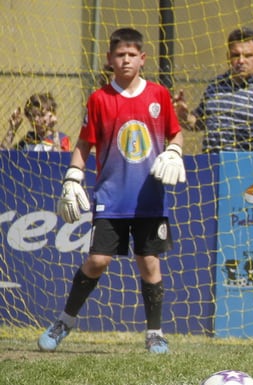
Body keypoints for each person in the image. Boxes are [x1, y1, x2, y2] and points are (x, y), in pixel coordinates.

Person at [37, 27, 185, 354]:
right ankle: (65, 320)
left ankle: (154, 333)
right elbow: (85, 143)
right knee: (98, 260)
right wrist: (73, 177)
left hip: (150, 199)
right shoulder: (99, 99)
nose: (126, 59)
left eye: (132, 54)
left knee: (150, 263)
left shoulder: (159, 95)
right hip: (111, 199)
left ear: (143, 59)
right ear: (109, 59)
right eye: (120, 54)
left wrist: (174, 151)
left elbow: (176, 134)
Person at [174, 27, 253, 153]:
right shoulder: (215, 87)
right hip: (212, 167)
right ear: (228, 57)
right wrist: (183, 116)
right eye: (236, 55)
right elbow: (197, 124)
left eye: (248, 55)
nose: (241, 61)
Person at [2, 93, 73, 151]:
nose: (35, 119)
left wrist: (54, 134)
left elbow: (59, 159)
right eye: (32, 115)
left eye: (41, 115)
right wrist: (12, 129)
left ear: (51, 115)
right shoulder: (28, 139)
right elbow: (3, 153)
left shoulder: (61, 138)